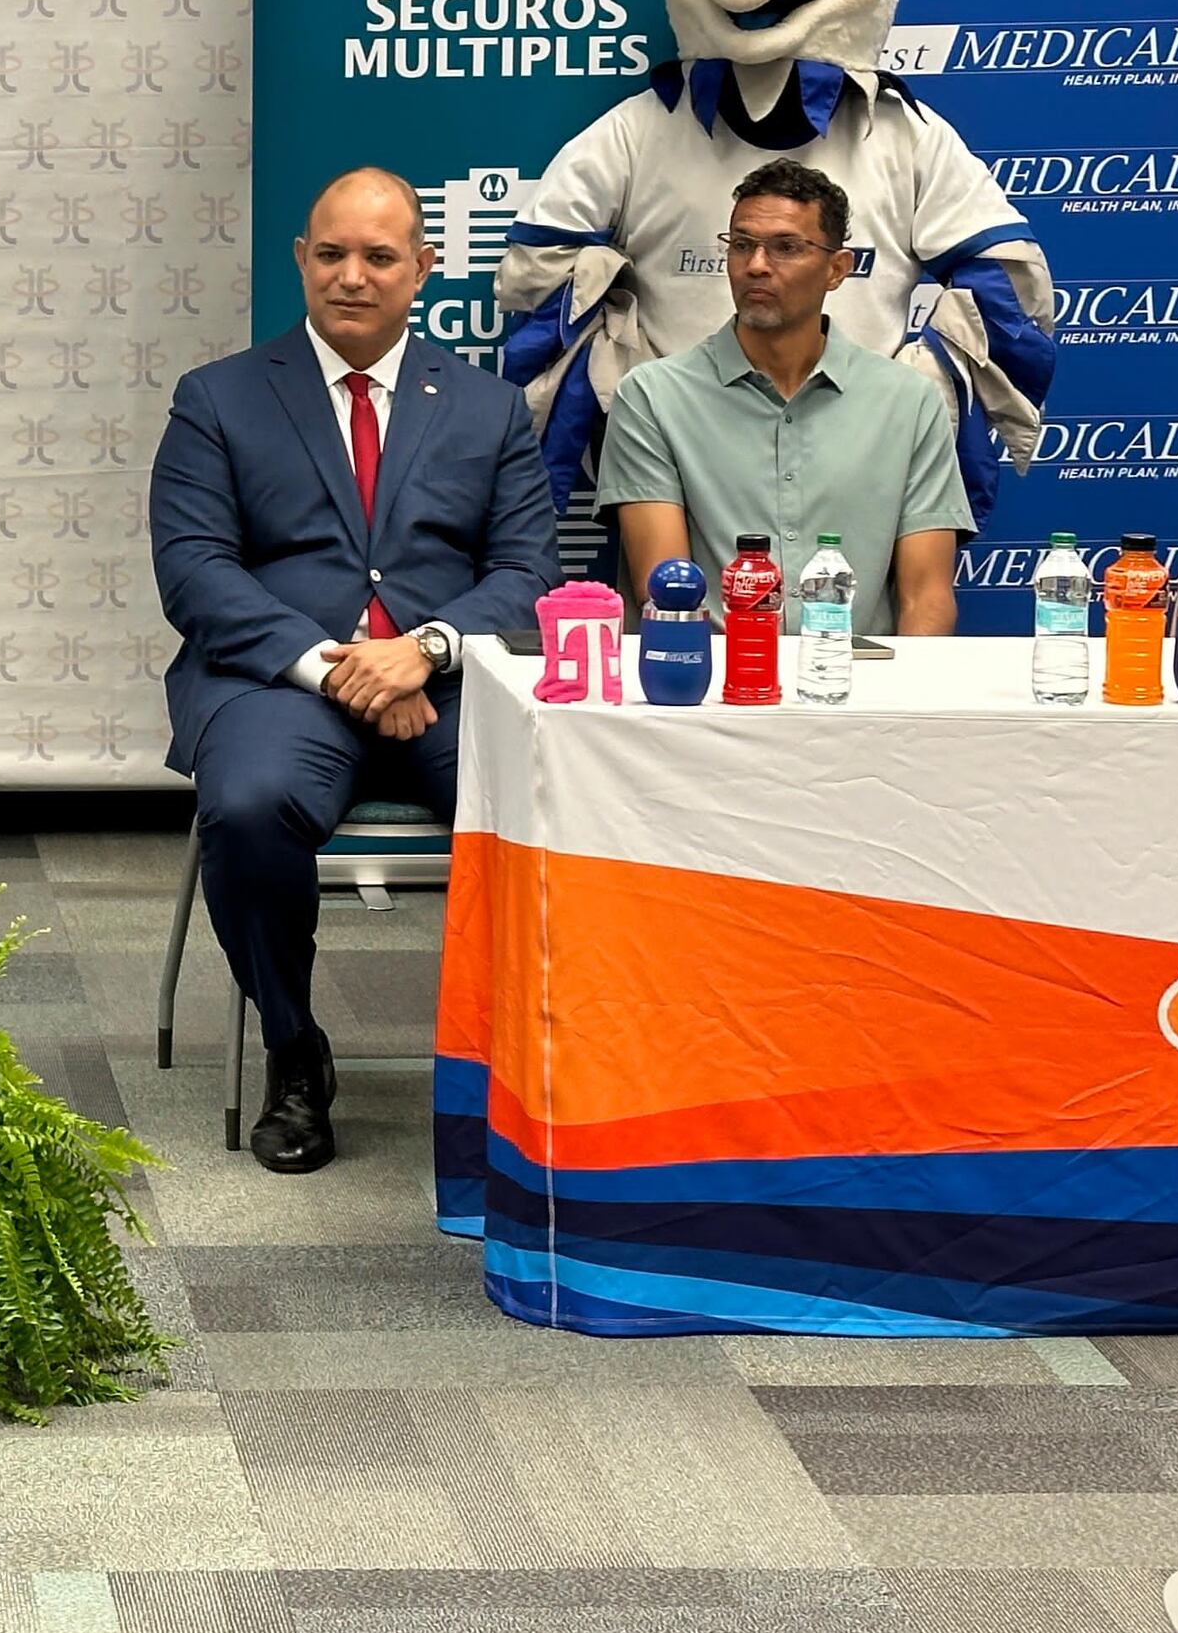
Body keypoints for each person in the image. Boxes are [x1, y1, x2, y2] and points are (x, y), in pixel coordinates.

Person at [150, 167, 561, 1175]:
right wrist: (332, 667)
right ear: (301, 258)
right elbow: (193, 569)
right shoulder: (218, 398)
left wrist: (419, 649)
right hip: (279, 683)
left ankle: (525, 1058)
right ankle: (295, 1050)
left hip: (444, 686)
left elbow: (527, 573)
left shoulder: (488, 408)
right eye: (330, 253)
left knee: (551, 804)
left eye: (379, 256)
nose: (350, 275)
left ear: (423, 267)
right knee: (245, 809)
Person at [596, 158, 970, 636]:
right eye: (742, 245)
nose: (756, 266)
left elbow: (928, 598)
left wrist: (894, 706)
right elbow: (666, 594)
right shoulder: (654, 397)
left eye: (786, 248)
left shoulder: (909, 402)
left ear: (837, 270)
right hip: (714, 688)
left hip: (858, 687)